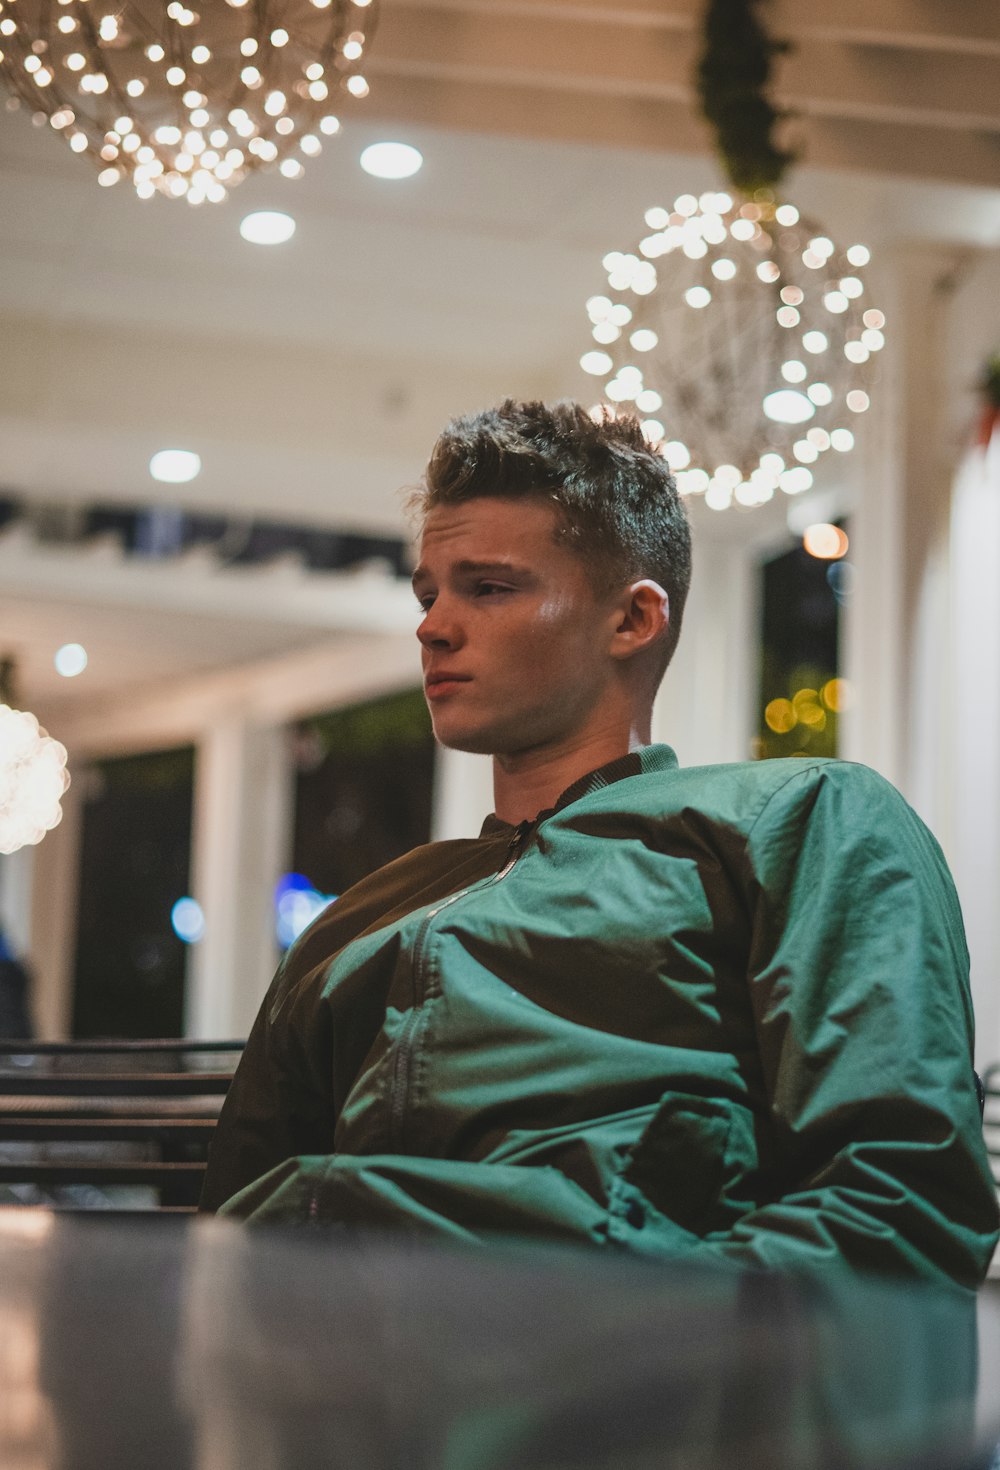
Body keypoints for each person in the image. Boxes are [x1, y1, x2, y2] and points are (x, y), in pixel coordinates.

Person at [200, 400, 999, 1287]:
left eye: (489, 587)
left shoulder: (799, 817)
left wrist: (660, 1354)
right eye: (429, 592)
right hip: (318, 1378)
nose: (432, 625)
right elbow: (228, 1226)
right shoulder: (358, 919)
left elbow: (899, 1199)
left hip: (631, 1387)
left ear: (632, 620)